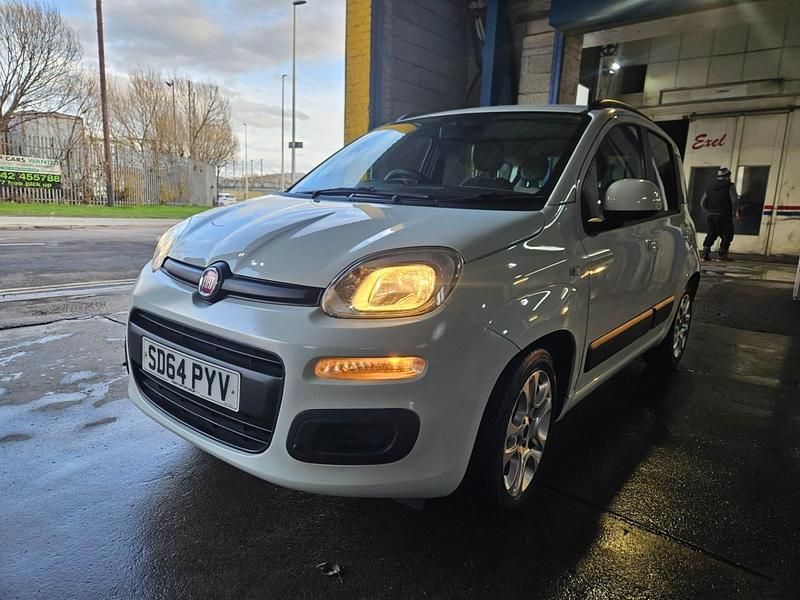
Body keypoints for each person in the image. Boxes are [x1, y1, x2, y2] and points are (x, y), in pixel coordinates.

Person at [700, 166, 739, 261]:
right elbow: (734, 200)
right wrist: (735, 211)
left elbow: (702, 203)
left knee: (711, 234)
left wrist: (710, 210)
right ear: (728, 176)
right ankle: (722, 255)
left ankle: (705, 254)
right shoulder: (730, 186)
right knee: (727, 234)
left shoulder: (710, 186)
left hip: (712, 215)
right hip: (724, 215)